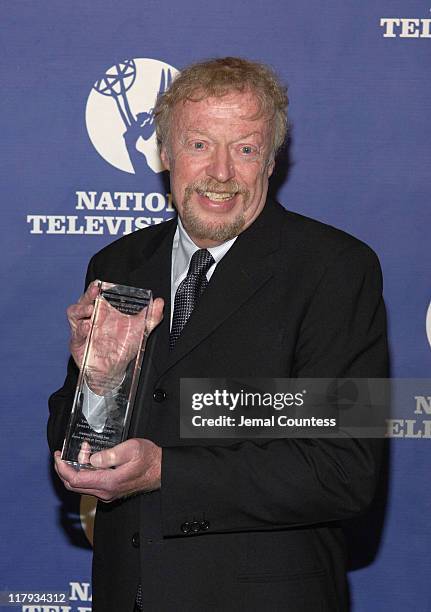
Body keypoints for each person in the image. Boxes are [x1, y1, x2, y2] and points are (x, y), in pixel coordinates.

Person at [48, 57, 388, 611]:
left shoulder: (333, 270)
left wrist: (166, 472)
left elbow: (343, 471)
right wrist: (100, 384)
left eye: (246, 148)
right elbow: (73, 447)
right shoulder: (119, 263)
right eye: (200, 144)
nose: (222, 172)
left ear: (272, 161)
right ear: (165, 154)